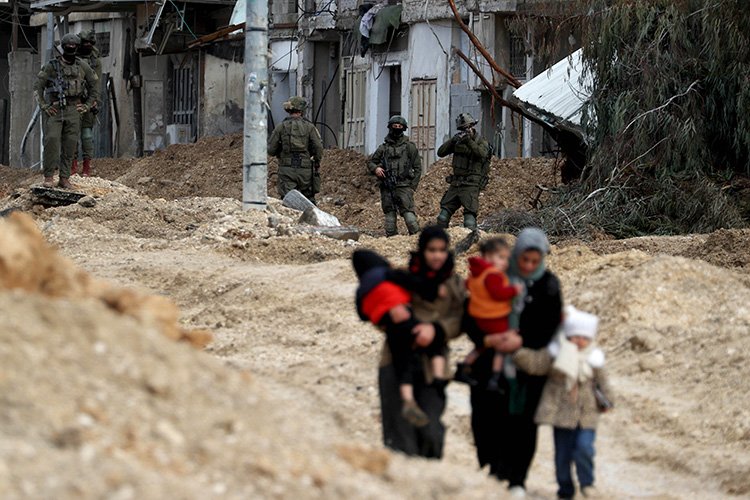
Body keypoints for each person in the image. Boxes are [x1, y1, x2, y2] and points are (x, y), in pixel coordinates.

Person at [468, 227, 563, 497]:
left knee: (524, 423)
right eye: (525, 260)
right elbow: (473, 314)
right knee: (489, 420)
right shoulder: (495, 277)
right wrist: (490, 339)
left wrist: (521, 340)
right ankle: (495, 469)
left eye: (535, 261)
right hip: (491, 359)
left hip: (529, 365)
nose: (529, 266)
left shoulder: (548, 285)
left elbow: (550, 326)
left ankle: (517, 479)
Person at [377, 226, 466, 458]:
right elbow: (379, 312)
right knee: (400, 437)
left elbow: (461, 320)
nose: (437, 255)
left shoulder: (454, 284)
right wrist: (396, 318)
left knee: (431, 431)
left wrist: (436, 330)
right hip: (396, 362)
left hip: (432, 368)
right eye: (431, 250)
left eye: (442, 250)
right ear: (422, 251)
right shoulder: (403, 278)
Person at [512, 305, 613, 499]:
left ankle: (587, 483)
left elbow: (603, 383)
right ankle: (565, 489)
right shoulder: (556, 354)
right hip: (561, 414)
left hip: (586, 414)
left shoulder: (594, 358)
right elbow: (536, 364)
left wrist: (608, 401)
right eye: (575, 336)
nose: (580, 341)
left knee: (584, 448)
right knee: (562, 456)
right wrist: (517, 351)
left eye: (584, 338)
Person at [353, 249, 447, 427]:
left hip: (390, 327)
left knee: (402, 361)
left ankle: (408, 400)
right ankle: (438, 377)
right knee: (434, 341)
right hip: (406, 315)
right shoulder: (387, 273)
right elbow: (412, 283)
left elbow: (363, 315)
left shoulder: (361, 290)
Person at [455, 237, 523, 392]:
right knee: (503, 345)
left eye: (506, 258)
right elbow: (498, 293)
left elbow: (466, 286)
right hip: (494, 318)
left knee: (481, 347)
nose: (504, 262)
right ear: (487, 257)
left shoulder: (476, 275)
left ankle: (464, 367)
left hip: (479, 317)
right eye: (500, 258)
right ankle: (495, 377)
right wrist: (514, 290)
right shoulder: (493, 275)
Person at [34, 33, 99, 189]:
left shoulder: (83, 66)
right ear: (62, 47)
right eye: (68, 47)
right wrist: (44, 106)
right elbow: (38, 87)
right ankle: (49, 176)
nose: (71, 49)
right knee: (52, 141)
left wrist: (87, 105)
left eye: (74, 47)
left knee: (70, 145)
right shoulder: (51, 66)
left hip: (74, 110)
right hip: (55, 110)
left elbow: (94, 86)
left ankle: (64, 177)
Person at [435, 113, 491, 230]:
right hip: (455, 184)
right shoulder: (458, 141)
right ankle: (441, 241)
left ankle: (472, 243)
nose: (466, 131)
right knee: (442, 217)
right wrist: (452, 140)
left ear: (472, 127)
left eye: (468, 128)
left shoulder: (481, 142)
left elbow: (482, 154)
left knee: (469, 220)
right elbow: (440, 152)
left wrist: (469, 142)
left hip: (470, 185)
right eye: (463, 129)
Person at [368, 116, 422, 236]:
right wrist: (376, 169)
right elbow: (371, 162)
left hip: (404, 186)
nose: (397, 129)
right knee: (390, 218)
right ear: (390, 127)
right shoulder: (383, 148)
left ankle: (417, 238)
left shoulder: (410, 147)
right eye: (394, 126)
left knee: (409, 217)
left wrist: (413, 187)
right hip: (387, 186)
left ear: (403, 129)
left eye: (400, 127)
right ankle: (393, 241)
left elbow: (418, 168)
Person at [267, 96, 324, 203]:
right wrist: (316, 162)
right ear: (302, 110)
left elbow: (271, 150)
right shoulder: (310, 127)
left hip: (286, 169)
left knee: (288, 201)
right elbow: (318, 147)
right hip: (305, 170)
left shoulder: (281, 127)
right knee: (308, 201)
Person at [72, 29, 102, 177]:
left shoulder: (95, 61)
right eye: (85, 43)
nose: (88, 45)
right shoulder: (71, 58)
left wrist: (94, 100)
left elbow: (96, 82)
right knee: (71, 136)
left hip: (88, 102)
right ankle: (72, 168)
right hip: (72, 102)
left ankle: (86, 168)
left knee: (87, 135)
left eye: (91, 43)